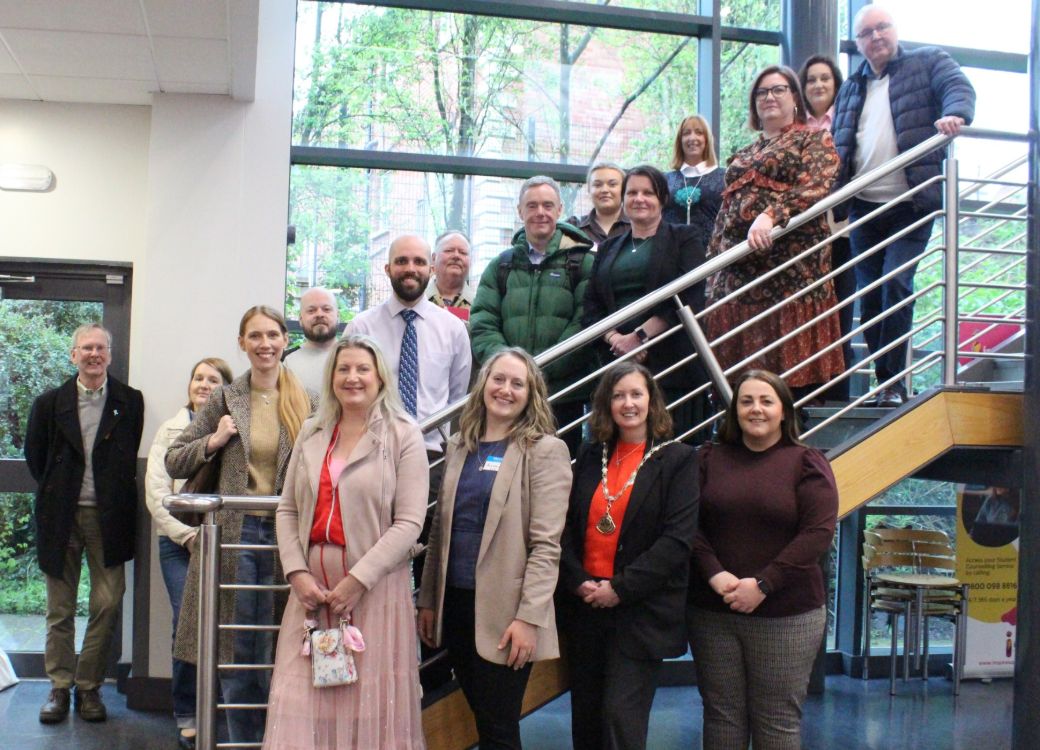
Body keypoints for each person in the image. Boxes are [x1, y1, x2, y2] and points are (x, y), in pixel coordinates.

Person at [263, 335, 427, 749]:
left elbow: (409, 523)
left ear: (380, 378)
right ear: (332, 376)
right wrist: (297, 573)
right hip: (310, 599)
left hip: (374, 596)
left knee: (370, 711)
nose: (352, 378)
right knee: (300, 704)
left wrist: (357, 581)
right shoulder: (311, 433)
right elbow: (287, 510)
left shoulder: (404, 436)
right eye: (343, 369)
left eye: (362, 369)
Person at [166, 305, 315, 746]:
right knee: (235, 649)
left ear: (286, 340)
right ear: (242, 342)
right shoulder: (225, 398)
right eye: (255, 336)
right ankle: (240, 741)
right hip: (235, 535)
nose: (265, 344)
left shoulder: (309, 400)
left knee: (279, 649)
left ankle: (276, 740)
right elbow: (177, 457)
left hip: (290, 537)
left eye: (273, 335)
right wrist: (215, 439)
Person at [417, 348, 572, 749]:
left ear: (531, 393)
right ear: (483, 384)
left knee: (500, 727)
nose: (505, 390)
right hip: (455, 606)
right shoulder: (459, 446)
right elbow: (439, 533)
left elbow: (546, 546)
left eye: (517, 383)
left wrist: (528, 618)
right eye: (498, 379)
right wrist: (429, 600)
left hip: (508, 615)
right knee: (483, 722)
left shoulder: (545, 451)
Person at [832, 5, 975, 407]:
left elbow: (958, 88)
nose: (876, 37)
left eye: (882, 28)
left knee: (896, 282)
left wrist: (954, 115)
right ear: (858, 43)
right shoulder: (852, 86)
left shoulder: (928, 61)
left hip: (911, 201)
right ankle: (884, 381)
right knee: (870, 297)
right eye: (866, 33)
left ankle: (893, 383)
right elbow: (840, 144)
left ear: (895, 31)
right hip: (864, 207)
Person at [687, 369, 838, 750]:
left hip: (786, 615)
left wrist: (763, 584)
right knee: (721, 717)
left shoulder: (807, 462)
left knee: (777, 724)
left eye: (767, 401)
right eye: (747, 401)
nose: (756, 409)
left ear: (784, 411)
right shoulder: (707, 459)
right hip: (713, 611)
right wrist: (714, 573)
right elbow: (687, 525)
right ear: (734, 410)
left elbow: (817, 534)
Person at [557, 362, 697, 750]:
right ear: (606, 404)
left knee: (621, 718)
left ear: (652, 403)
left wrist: (619, 589)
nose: (628, 403)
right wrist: (576, 579)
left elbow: (677, 541)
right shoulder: (589, 455)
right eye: (618, 395)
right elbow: (565, 528)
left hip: (639, 611)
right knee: (586, 719)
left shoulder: (679, 459)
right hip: (585, 609)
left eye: (636, 394)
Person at [25, 323, 144, 725]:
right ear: (73, 355)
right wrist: (60, 492)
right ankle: (59, 687)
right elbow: (35, 457)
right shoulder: (48, 403)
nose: (94, 354)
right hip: (60, 516)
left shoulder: (130, 401)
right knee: (59, 608)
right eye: (86, 348)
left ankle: (89, 686)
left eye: (101, 348)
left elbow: (127, 458)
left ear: (110, 354)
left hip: (109, 517)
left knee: (108, 603)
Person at [705, 65, 844, 399]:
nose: (769, 97)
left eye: (778, 89)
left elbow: (818, 185)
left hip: (791, 275)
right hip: (738, 282)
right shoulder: (743, 153)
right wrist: (712, 266)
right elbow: (726, 212)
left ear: (795, 97)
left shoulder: (813, 139)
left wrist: (771, 215)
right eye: (762, 92)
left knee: (788, 389)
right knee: (740, 386)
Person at [470, 175, 596, 454]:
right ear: (520, 211)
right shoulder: (501, 266)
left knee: (558, 475)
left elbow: (585, 323)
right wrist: (510, 373)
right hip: (506, 397)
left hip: (562, 396)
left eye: (548, 205)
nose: (541, 212)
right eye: (533, 205)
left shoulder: (582, 263)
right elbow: (482, 322)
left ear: (559, 210)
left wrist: (536, 373)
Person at [145, 357, 233, 749]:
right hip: (181, 545)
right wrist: (189, 537)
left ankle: (221, 709)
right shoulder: (171, 429)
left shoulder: (233, 429)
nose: (203, 385)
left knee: (226, 624)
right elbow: (157, 495)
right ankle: (188, 711)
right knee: (188, 624)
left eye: (213, 379)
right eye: (198, 377)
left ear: (226, 389)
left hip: (225, 542)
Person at [583, 165, 708, 441]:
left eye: (648, 193)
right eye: (632, 193)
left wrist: (639, 338)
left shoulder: (684, 238)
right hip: (616, 362)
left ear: (662, 198)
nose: (639, 199)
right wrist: (617, 339)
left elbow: (689, 296)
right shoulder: (608, 247)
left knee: (671, 454)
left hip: (672, 364)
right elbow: (592, 306)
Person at [799, 54, 854, 401]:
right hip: (803, 239)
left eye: (825, 79)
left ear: (836, 84)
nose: (818, 85)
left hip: (840, 231)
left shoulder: (848, 121)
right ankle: (809, 390)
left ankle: (837, 393)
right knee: (807, 317)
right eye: (811, 80)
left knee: (840, 312)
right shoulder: (795, 127)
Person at [662, 115, 724, 245]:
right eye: (686, 133)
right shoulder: (666, 179)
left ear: (706, 139)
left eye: (699, 132)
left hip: (711, 256)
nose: (692, 138)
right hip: (671, 253)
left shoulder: (724, 176)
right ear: (680, 140)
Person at [283, 287, 341, 395]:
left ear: (338, 316)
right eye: (311, 310)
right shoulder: (285, 361)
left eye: (327, 309)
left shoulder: (354, 357)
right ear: (300, 319)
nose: (319, 314)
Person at [566, 162, 630, 246]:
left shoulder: (637, 226)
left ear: (624, 189)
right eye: (597, 185)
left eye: (612, 184)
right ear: (589, 190)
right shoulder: (572, 227)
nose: (604, 190)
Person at [426, 230, 475, 323]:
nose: (456, 256)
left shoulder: (481, 306)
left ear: (471, 261)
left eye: (463, 252)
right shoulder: (416, 302)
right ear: (433, 258)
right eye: (449, 250)